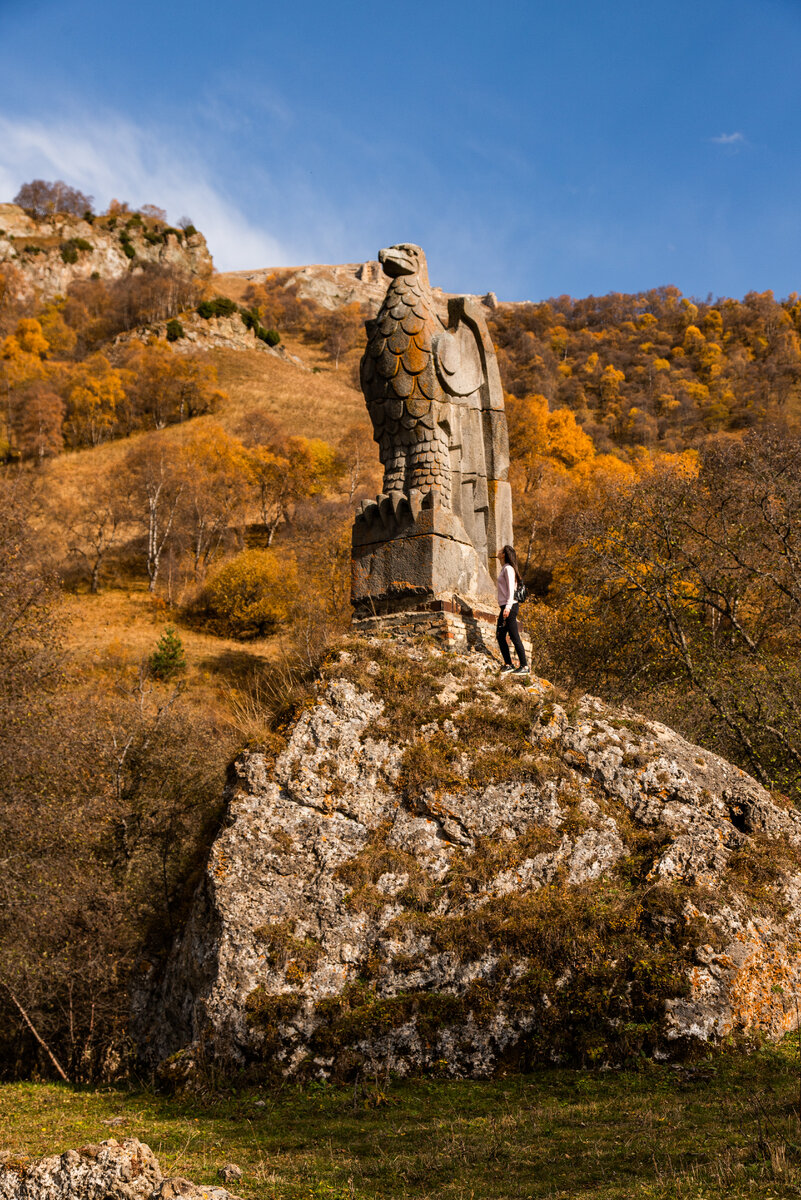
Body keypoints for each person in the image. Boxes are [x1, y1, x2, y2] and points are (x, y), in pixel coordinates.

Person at [496, 545, 528, 675]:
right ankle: (508, 664)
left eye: (500, 550)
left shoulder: (508, 569)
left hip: (510, 606)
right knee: (500, 635)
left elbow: (511, 590)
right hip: (506, 606)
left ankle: (525, 666)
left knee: (514, 636)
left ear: (504, 554)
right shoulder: (504, 568)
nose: (498, 552)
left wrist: (508, 607)